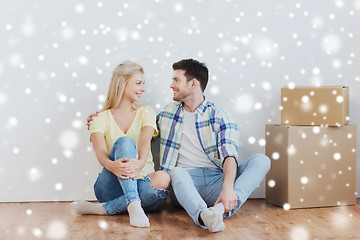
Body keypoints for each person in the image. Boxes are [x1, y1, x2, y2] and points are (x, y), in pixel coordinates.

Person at [87, 59, 271, 233]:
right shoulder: (166, 114)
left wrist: (228, 187)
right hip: (185, 182)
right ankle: (201, 214)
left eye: (176, 79)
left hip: (217, 181)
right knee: (175, 172)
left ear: (193, 84)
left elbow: (229, 154)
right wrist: (100, 118)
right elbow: (140, 133)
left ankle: (218, 210)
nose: (171, 85)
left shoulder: (220, 115)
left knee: (262, 160)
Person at [72, 60, 170, 228]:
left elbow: (145, 140)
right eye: (138, 83)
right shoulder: (100, 118)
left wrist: (139, 164)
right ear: (122, 83)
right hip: (111, 186)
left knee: (164, 178)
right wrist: (111, 165)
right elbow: (100, 152)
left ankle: (104, 209)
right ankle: (133, 203)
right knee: (125, 142)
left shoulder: (146, 112)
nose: (143, 88)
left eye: (143, 83)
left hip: (143, 181)